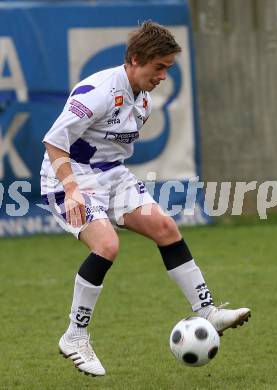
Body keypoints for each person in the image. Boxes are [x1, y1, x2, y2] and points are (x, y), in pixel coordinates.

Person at [40, 21, 250, 377]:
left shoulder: (144, 99)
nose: (164, 76)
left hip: (109, 173)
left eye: (168, 68)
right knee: (106, 245)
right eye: (159, 67)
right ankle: (75, 336)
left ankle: (207, 311)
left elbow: (110, 150)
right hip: (68, 176)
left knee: (165, 228)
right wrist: (74, 191)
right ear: (135, 60)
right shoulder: (99, 91)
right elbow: (54, 141)